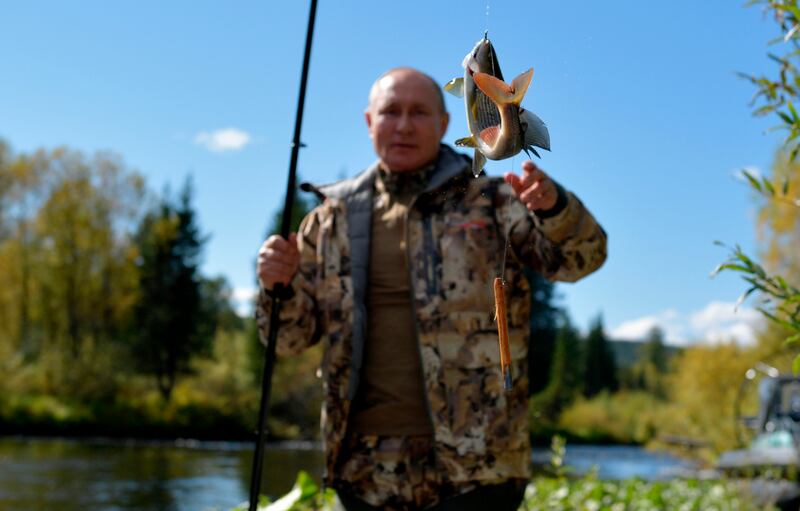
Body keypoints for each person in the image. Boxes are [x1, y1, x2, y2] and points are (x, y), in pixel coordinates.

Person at [256, 67, 607, 511]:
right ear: (369, 122)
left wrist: (555, 208)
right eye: (391, 112)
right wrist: (276, 288)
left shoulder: (496, 202)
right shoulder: (328, 222)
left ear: (444, 124)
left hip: (479, 471)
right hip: (362, 473)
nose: (403, 125)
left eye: (419, 112)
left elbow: (584, 258)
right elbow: (285, 341)